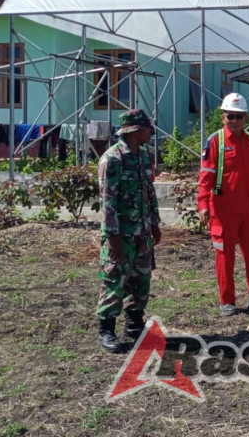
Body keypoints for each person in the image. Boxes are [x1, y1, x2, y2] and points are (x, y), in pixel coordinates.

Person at [197, 93, 249, 316]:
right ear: (223, 117)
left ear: (246, 118)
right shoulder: (215, 141)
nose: (234, 120)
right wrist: (203, 204)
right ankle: (227, 301)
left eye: (239, 116)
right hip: (223, 211)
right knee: (225, 256)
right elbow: (206, 176)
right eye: (230, 116)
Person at [97, 109, 162, 353]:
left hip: (142, 231)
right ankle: (106, 329)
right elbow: (107, 201)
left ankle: (134, 326)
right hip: (120, 235)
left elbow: (149, 191)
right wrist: (112, 236)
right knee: (115, 278)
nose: (151, 132)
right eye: (147, 128)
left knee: (141, 278)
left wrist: (154, 223)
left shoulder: (144, 155)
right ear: (135, 130)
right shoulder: (112, 159)